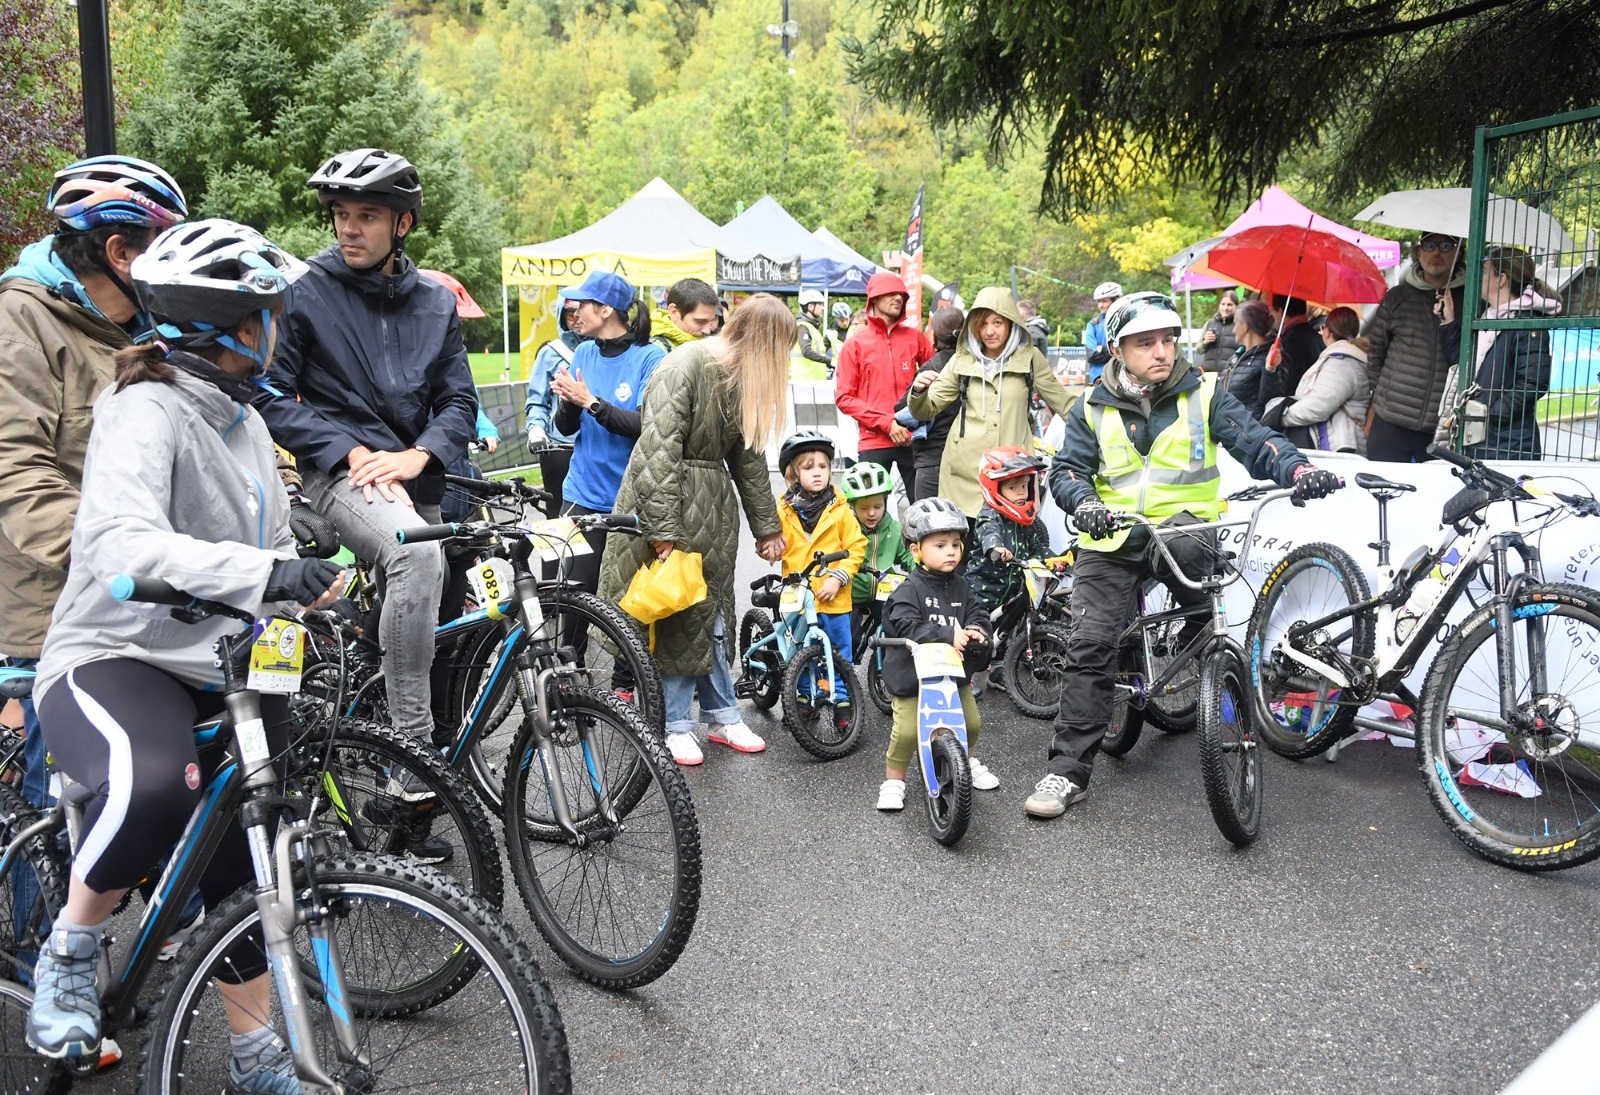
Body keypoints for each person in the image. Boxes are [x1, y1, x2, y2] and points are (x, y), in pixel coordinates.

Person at [26, 219, 336, 1091]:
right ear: (233, 327)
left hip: (215, 661)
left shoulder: (240, 417)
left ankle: (256, 1051)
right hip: (113, 652)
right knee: (156, 781)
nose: (280, 325)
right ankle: (70, 954)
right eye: (268, 311)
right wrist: (265, 567)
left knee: (250, 851)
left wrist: (301, 568)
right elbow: (121, 546)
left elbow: (269, 548)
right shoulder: (143, 408)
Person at [1025, 291, 1339, 819]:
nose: (1161, 352)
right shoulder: (1090, 407)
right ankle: (1067, 771)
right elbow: (1066, 472)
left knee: (1208, 622)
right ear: (1119, 349)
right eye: (1146, 343)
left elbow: (1257, 440)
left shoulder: (1205, 394)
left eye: (1167, 340)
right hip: (1113, 538)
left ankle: (1214, 696)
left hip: (1184, 532)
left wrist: (1298, 470)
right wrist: (1085, 504)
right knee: (1090, 646)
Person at [256, 147, 474, 756]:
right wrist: (348, 449)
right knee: (416, 561)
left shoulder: (435, 302)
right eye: (341, 214)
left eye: (368, 215)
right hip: (340, 474)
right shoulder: (305, 292)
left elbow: (459, 402)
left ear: (402, 223)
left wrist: (420, 455)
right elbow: (269, 392)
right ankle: (413, 758)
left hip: (416, 478)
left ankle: (378, 696)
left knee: (446, 605)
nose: (350, 227)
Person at [0, 155, 187, 820]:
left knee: (161, 789)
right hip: (50, 613)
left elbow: (219, 414)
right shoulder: (22, 321)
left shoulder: (148, 328)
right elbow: (16, 475)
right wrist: (123, 548)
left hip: (143, 601)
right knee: (57, 816)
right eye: (164, 247)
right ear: (119, 252)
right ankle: (47, 928)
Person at [596, 294, 792, 766]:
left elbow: (748, 457)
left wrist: (767, 528)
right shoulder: (681, 366)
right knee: (681, 617)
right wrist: (662, 532)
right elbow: (656, 452)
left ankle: (723, 716)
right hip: (673, 503)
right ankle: (674, 724)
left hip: (709, 508)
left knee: (713, 620)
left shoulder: (732, 374)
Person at [905, 287, 1074, 520]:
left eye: (997, 323)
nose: (989, 331)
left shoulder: (1030, 358)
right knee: (963, 549)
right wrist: (919, 391)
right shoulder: (961, 359)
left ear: (1011, 323)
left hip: (1013, 475)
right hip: (964, 476)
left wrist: (1098, 421)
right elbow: (925, 409)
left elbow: (1064, 404)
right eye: (983, 323)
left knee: (1010, 552)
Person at [549, 269, 665, 602]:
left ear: (604, 310)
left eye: (581, 305)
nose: (574, 313)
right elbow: (566, 428)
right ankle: (571, 658)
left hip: (627, 501)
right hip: (579, 496)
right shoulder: (584, 352)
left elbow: (647, 425)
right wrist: (570, 402)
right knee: (571, 601)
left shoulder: (650, 357)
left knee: (625, 610)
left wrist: (592, 403)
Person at [876, 497, 995, 811]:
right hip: (913, 679)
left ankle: (966, 762)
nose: (951, 551)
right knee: (907, 731)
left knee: (970, 723)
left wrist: (979, 632)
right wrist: (946, 634)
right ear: (916, 551)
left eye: (956, 544)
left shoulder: (962, 587)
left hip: (952, 676)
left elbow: (978, 614)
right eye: (940, 545)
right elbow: (903, 624)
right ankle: (894, 781)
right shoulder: (908, 589)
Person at [775, 431, 867, 735]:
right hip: (798, 596)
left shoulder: (840, 509)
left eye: (823, 466)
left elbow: (856, 547)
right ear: (793, 474)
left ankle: (842, 700)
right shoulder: (784, 510)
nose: (817, 472)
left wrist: (838, 577)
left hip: (834, 598)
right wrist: (770, 549)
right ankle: (802, 697)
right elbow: (775, 544)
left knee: (838, 651)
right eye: (808, 467)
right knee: (798, 649)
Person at [1436, 245, 1559, 461]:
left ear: (1501, 279)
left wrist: (1490, 413)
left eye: (1484, 272)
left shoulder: (1528, 323)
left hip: (1506, 444)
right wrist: (1448, 322)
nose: (1478, 278)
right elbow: (1465, 364)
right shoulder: (1489, 317)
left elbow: (1533, 384)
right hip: (1479, 437)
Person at [1364, 233, 1469, 461]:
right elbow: (1375, 354)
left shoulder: (1471, 300)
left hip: (1441, 425)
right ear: (1419, 252)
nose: (1436, 253)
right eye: (1429, 245)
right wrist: (1380, 398)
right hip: (1391, 420)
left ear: (1459, 252)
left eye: (1445, 245)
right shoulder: (1397, 297)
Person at [834, 272, 934, 494]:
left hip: (914, 438)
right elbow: (844, 398)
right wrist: (887, 423)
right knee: (868, 509)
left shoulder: (915, 337)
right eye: (890, 292)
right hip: (874, 440)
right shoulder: (855, 344)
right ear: (874, 299)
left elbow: (940, 379)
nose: (898, 297)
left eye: (901, 294)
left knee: (926, 508)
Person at [964, 448, 1056, 621]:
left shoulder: (1028, 520)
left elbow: (1037, 547)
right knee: (979, 634)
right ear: (995, 489)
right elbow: (989, 532)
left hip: (1014, 593)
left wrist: (1056, 559)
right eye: (1012, 487)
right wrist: (996, 548)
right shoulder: (990, 515)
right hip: (983, 594)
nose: (1021, 492)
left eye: (1024, 486)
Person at [840, 461, 915, 646]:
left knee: (895, 632)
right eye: (864, 508)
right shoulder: (847, 529)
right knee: (851, 640)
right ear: (852, 507)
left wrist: (922, 569)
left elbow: (904, 556)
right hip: (853, 595)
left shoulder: (894, 529)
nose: (872, 513)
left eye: (878, 506)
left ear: (885, 503)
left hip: (884, 594)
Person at [1276, 306, 1370, 454]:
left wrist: (1280, 416)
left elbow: (1319, 405)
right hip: (1337, 441)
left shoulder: (1342, 362)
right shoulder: (1346, 358)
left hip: (1338, 446)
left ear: (1327, 332)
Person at [894, 305, 964, 502]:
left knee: (928, 527)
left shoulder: (932, 368)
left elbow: (902, 411)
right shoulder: (977, 366)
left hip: (933, 459)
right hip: (968, 462)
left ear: (933, 334)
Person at [523, 307, 583, 518]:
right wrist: (537, 429)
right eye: (570, 314)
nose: (577, 319)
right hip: (561, 446)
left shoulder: (606, 350)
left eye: (581, 312)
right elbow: (537, 399)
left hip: (600, 445)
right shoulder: (551, 352)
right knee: (558, 515)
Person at [1221, 298, 1275, 420]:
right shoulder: (1238, 355)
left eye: (1235, 324)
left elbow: (1269, 401)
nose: (1233, 330)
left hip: (1249, 431)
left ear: (1245, 326)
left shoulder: (1270, 359)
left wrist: (1271, 371)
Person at [1268, 295, 1322, 397]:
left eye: (1273, 311)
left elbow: (1290, 381)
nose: (1271, 315)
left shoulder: (1293, 340)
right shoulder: (1314, 335)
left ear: (1280, 312)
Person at [651, 277, 719, 352]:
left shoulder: (708, 347)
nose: (707, 331)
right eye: (700, 321)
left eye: (711, 322)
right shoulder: (655, 353)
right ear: (674, 313)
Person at [1083, 280, 1122, 384]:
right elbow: (1091, 355)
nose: (1100, 305)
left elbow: (1125, 352)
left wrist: (1102, 349)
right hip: (1098, 378)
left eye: (1104, 301)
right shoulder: (1092, 325)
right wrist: (1113, 351)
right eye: (1099, 302)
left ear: (1115, 301)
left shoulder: (1124, 321)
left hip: (1121, 376)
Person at [791, 289, 834, 378]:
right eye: (820, 304)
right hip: (805, 381)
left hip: (814, 380)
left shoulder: (812, 327)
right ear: (810, 306)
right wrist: (829, 361)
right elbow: (806, 351)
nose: (823, 308)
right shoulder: (802, 326)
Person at [1198, 289, 1239, 371]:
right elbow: (1199, 350)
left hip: (1229, 374)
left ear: (1236, 306)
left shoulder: (1239, 325)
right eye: (1223, 304)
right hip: (1209, 374)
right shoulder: (1210, 323)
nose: (1225, 308)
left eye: (1230, 305)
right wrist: (1205, 342)